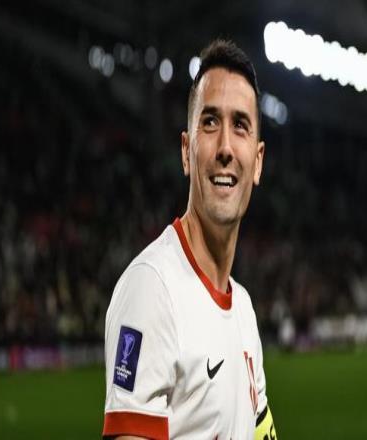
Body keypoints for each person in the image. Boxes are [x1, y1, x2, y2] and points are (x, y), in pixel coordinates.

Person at [103, 39, 277, 440]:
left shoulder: (243, 309)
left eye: (240, 125)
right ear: (186, 151)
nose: (225, 148)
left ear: (258, 162)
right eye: (210, 122)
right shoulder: (152, 289)